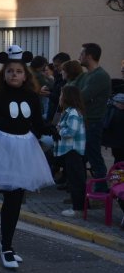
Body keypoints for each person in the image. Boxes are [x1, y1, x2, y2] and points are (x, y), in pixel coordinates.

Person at [0, 45, 54, 269]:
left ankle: (5, 243)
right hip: (3, 149)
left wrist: (50, 129)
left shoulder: (32, 97)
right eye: (10, 71)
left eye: (18, 71)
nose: (14, 75)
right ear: (4, 74)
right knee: (11, 198)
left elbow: (37, 125)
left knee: (16, 198)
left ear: (25, 74)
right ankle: (7, 247)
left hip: (25, 149)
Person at [79, 43, 111, 179]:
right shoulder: (88, 75)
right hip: (85, 121)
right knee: (83, 157)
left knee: (94, 157)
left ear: (89, 56)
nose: (79, 57)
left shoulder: (100, 76)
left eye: (81, 54)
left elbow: (81, 97)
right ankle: (81, 190)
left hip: (93, 122)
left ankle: (101, 189)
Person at [54, 85, 87, 218]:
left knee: (76, 181)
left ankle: (78, 209)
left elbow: (71, 132)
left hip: (72, 150)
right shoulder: (68, 111)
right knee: (75, 179)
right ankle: (78, 206)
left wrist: (59, 129)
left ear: (67, 97)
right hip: (70, 151)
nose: (60, 97)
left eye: (62, 95)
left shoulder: (72, 112)